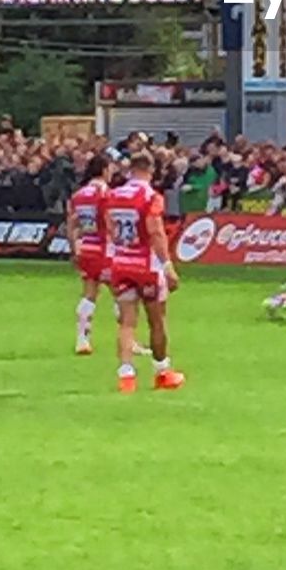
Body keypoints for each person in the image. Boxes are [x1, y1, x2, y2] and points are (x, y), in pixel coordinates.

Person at [104, 152, 185, 393]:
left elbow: (109, 226)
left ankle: (126, 375)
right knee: (156, 319)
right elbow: (156, 232)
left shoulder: (114, 195)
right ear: (151, 170)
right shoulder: (150, 197)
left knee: (127, 322)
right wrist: (167, 265)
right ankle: (162, 371)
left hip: (121, 262)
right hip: (145, 265)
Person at [66, 155, 110, 356]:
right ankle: (129, 340)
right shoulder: (105, 193)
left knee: (89, 293)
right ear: (104, 170)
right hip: (104, 247)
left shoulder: (79, 195)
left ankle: (82, 339)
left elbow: (72, 224)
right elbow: (109, 222)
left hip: (86, 246)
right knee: (124, 294)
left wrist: (73, 249)